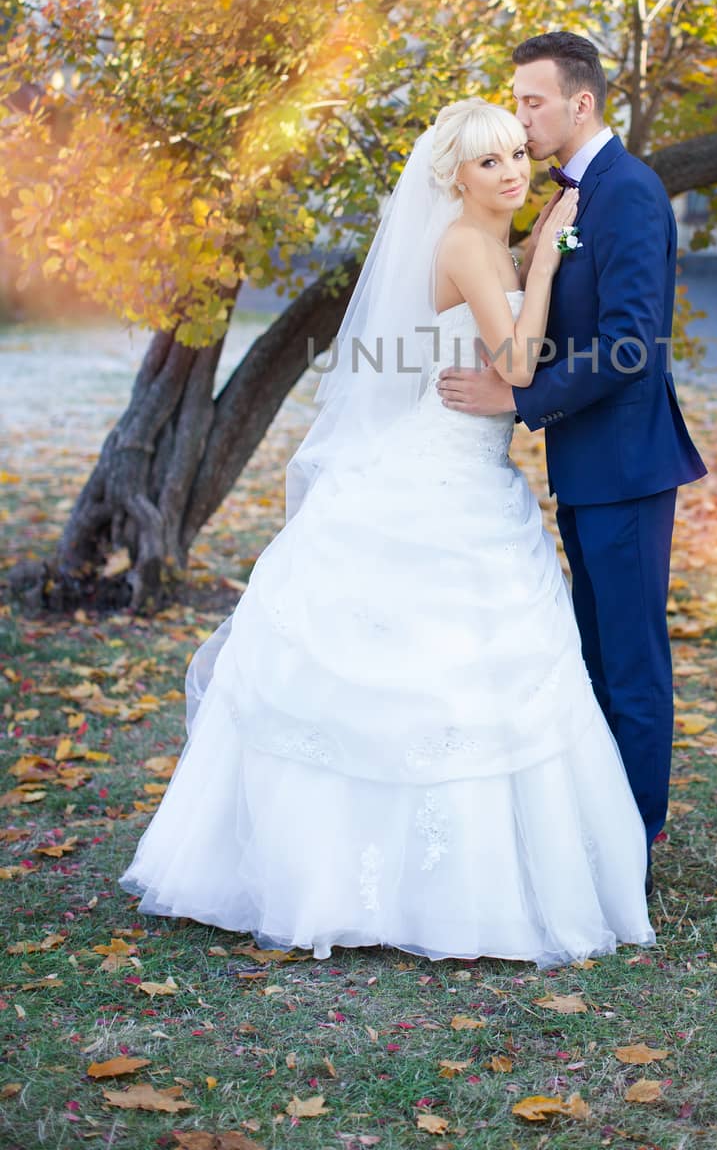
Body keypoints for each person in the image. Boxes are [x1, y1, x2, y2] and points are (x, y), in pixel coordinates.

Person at [118, 98, 656, 969]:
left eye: (518, 152)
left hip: (472, 473)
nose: (514, 171)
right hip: (437, 477)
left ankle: (459, 879)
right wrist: (548, 271)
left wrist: (532, 255)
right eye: (489, 163)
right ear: (454, 176)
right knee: (425, 674)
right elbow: (516, 365)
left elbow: (495, 313)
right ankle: (370, 885)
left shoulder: (487, 245)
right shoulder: (463, 245)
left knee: (461, 674)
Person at [438, 33, 708, 897]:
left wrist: (518, 402)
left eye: (531, 103)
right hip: (587, 466)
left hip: (627, 464)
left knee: (629, 658)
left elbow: (631, 345)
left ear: (579, 103)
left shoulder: (627, 194)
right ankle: (599, 826)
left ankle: (635, 838)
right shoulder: (567, 198)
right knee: (592, 653)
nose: (521, 117)